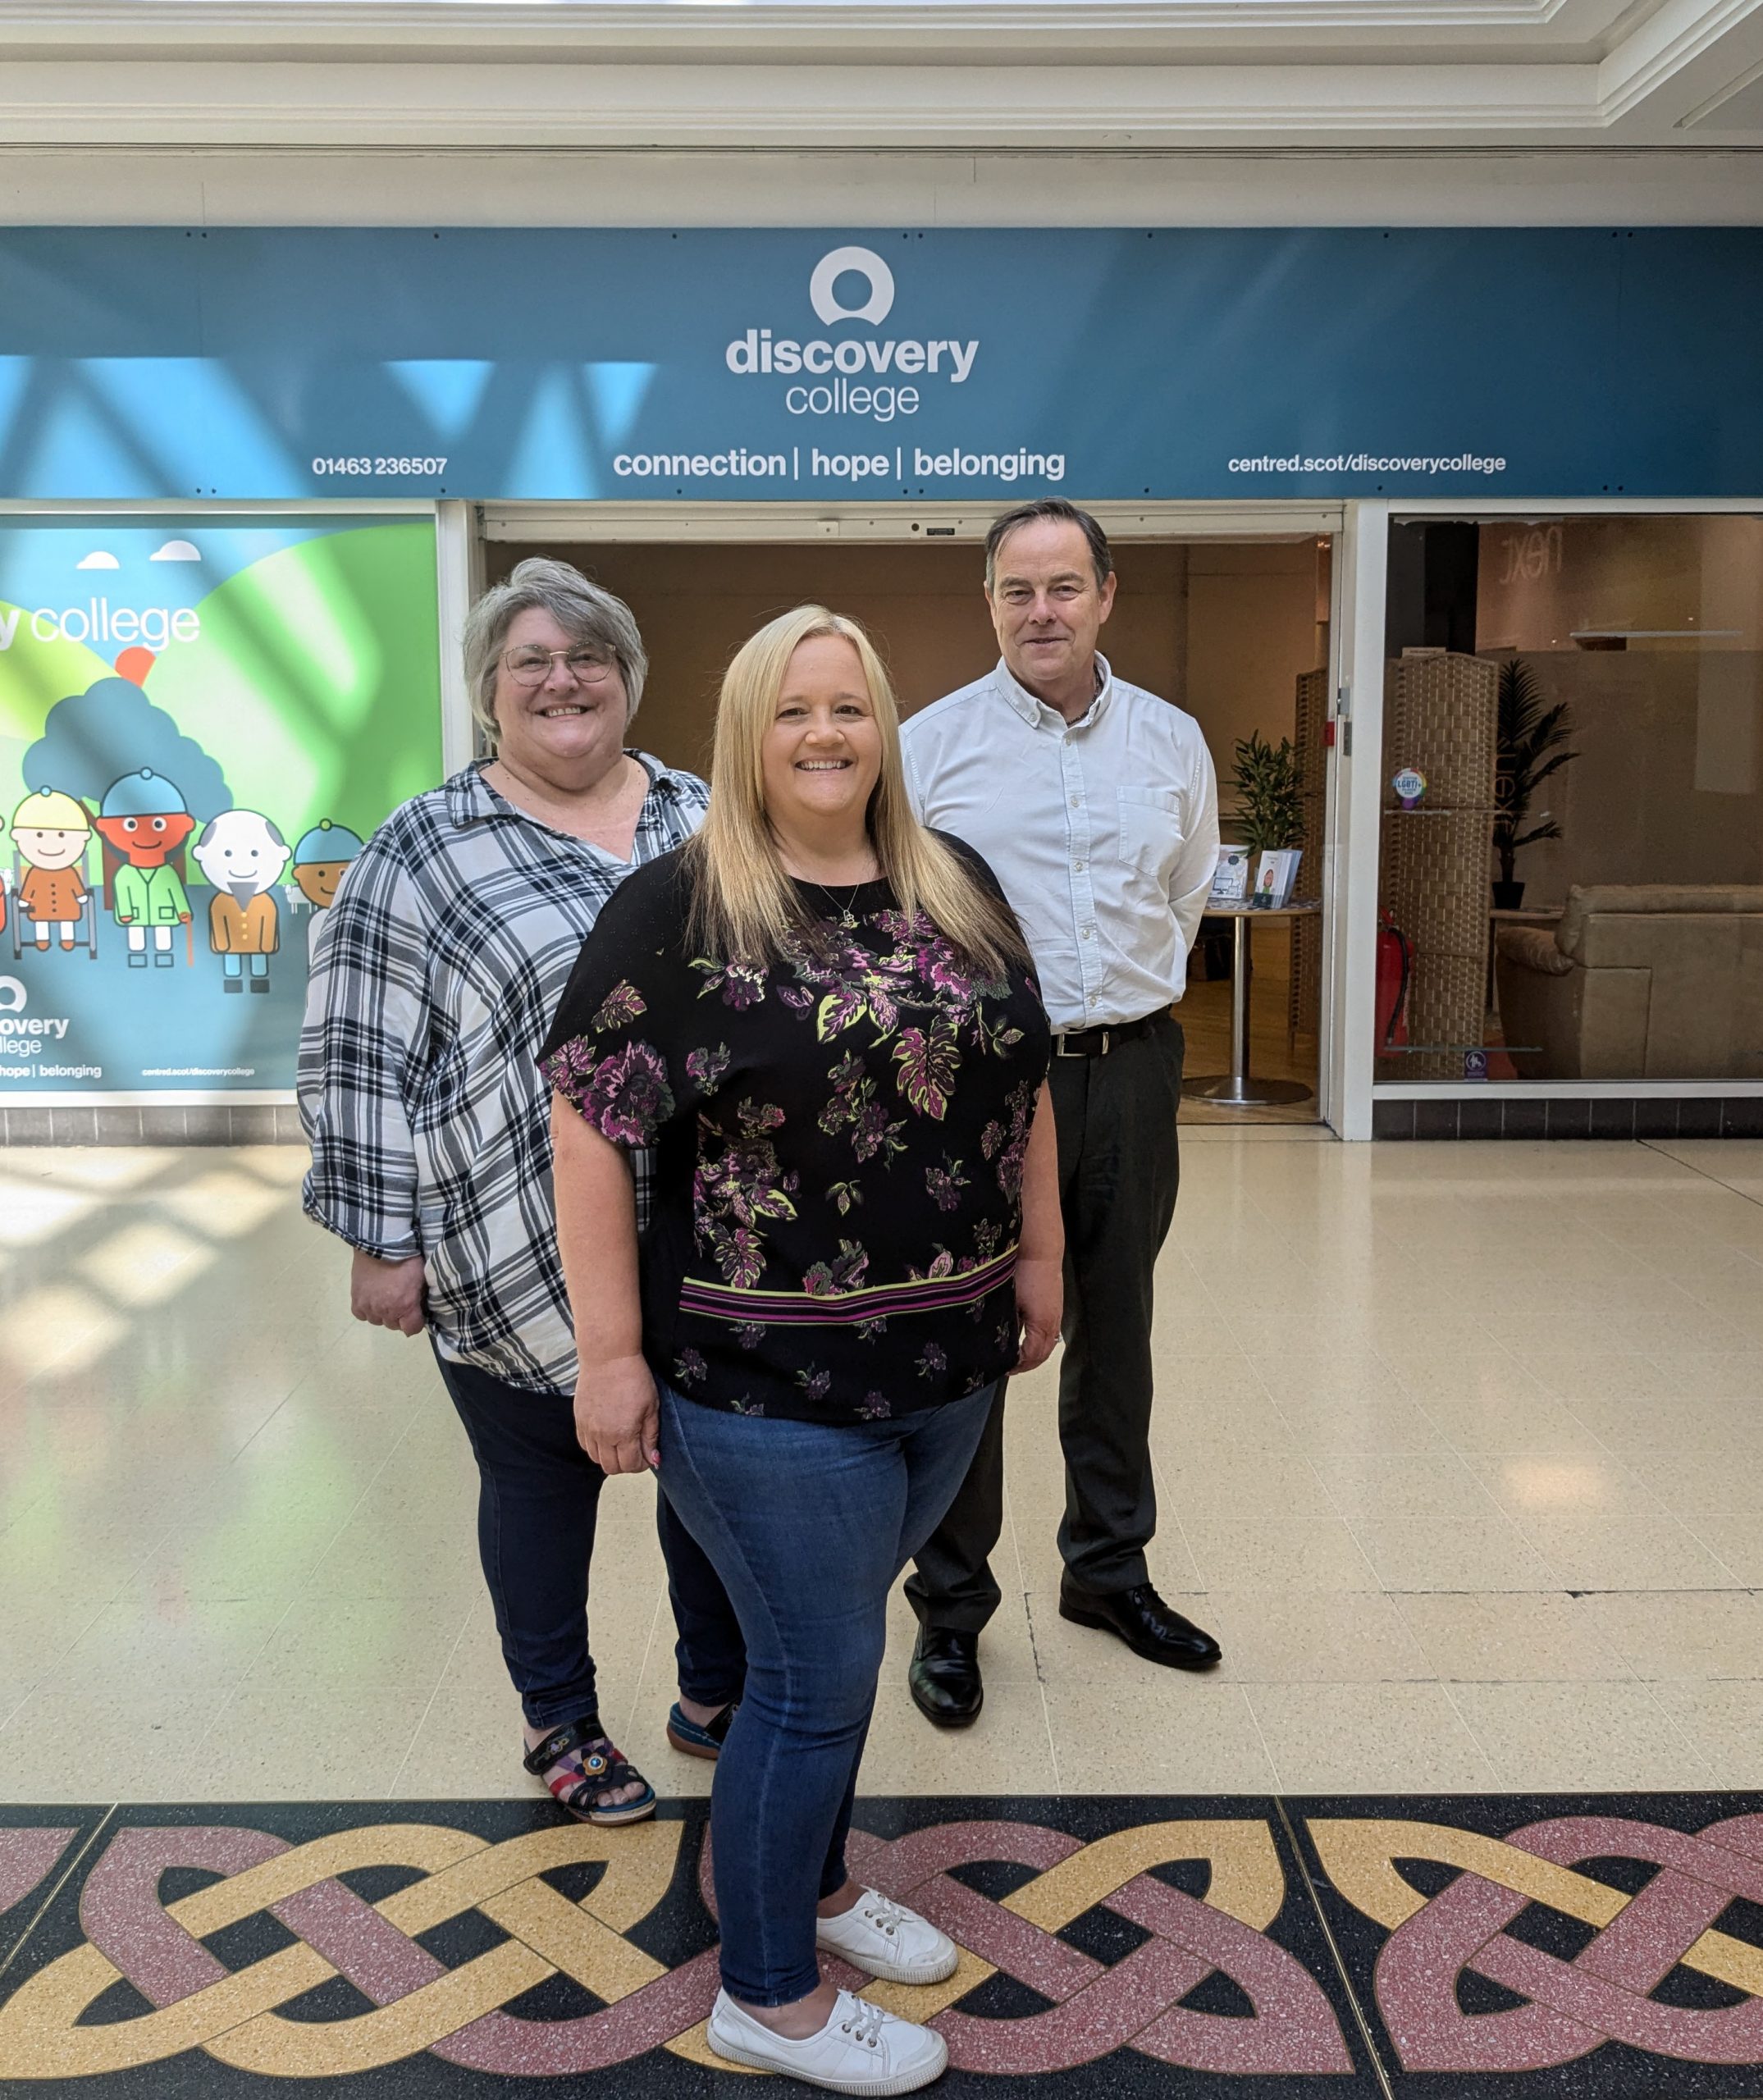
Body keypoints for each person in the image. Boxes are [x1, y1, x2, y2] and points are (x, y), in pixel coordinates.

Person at [541, 605, 1061, 2094]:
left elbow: (1019, 1088)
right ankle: (761, 1995)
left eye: (850, 707)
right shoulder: (681, 906)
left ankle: (820, 1892)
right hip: (764, 1388)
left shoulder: (954, 883)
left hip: (945, 1367)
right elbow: (589, 1130)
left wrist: (1039, 1254)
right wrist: (611, 1353)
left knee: (822, 1653)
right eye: (793, 711)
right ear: (746, 733)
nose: (826, 735)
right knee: (815, 1677)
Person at [299, 556, 745, 1824]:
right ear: (490, 691)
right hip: (509, 1241)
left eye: (587, 655)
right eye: (529, 662)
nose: (563, 679)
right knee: (542, 1494)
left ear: (629, 677)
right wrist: (379, 1237)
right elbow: (354, 1046)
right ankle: (561, 1725)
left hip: (708, 1242)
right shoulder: (425, 846)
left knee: (712, 1478)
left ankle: (712, 1692)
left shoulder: (706, 816)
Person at [898, 498, 1224, 1729]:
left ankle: (1106, 1570)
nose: (1041, 611)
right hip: (984, 1081)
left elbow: (1184, 893)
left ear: (1104, 595)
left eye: (1063, 587)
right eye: (1015, 590)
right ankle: (949, 1608)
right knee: (972, 1341)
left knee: (1118, 1327)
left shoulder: (1169, 741)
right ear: (987, 603)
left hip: (1133, 1067)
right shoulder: (930, 746)